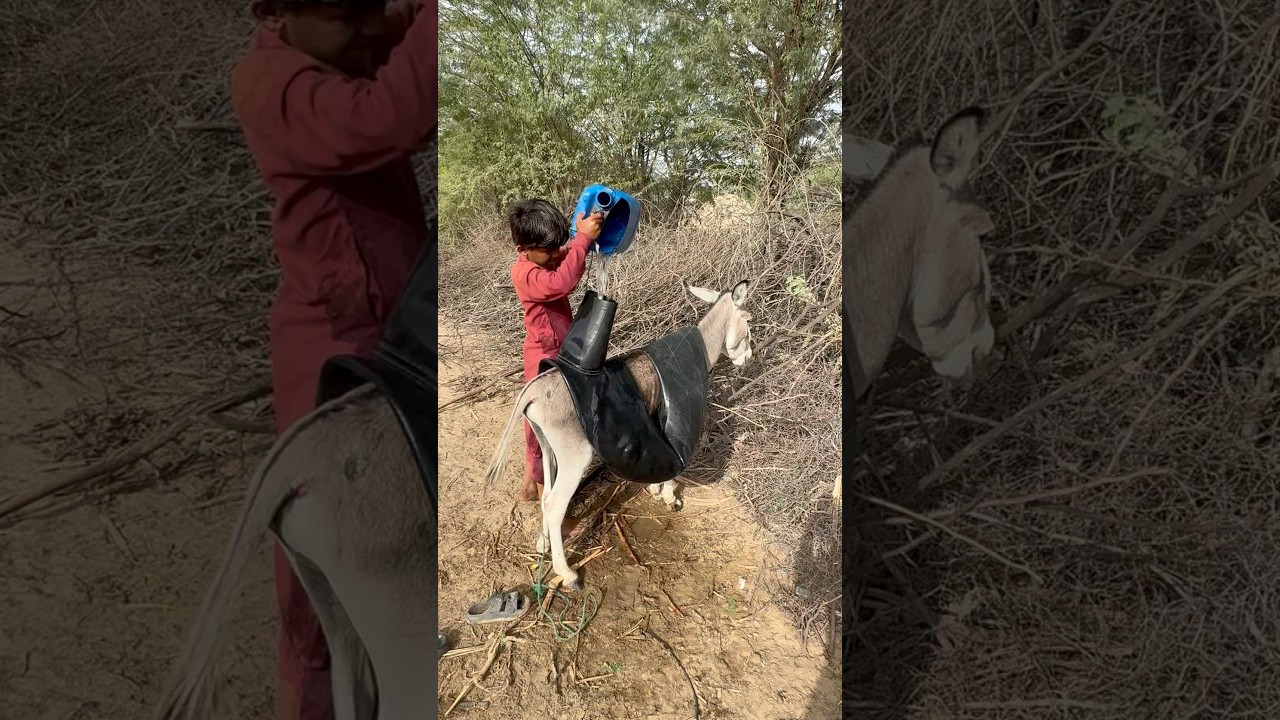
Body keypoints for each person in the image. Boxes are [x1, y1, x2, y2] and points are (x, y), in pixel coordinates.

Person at [228, 1, 436, 719]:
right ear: (275, 15)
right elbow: (388, 116)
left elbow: (388, 24)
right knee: (312, 603)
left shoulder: (330, 43)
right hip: (335, 344)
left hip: (390, 328)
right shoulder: (273, 85)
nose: (372, 30)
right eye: (351, 18)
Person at [508, 200, 602, 513]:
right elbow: (562, 281)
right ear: (524, 247)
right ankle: (550, 505)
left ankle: (529, 484)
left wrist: (581, 237)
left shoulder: (542, 260)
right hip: (542, 358)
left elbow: (565, 257)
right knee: (543, 431)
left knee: (538, 430)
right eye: (548, 252)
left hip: (556, 353)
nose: (554, 256)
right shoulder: (525, 273)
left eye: (555, 249)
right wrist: (582, 241)